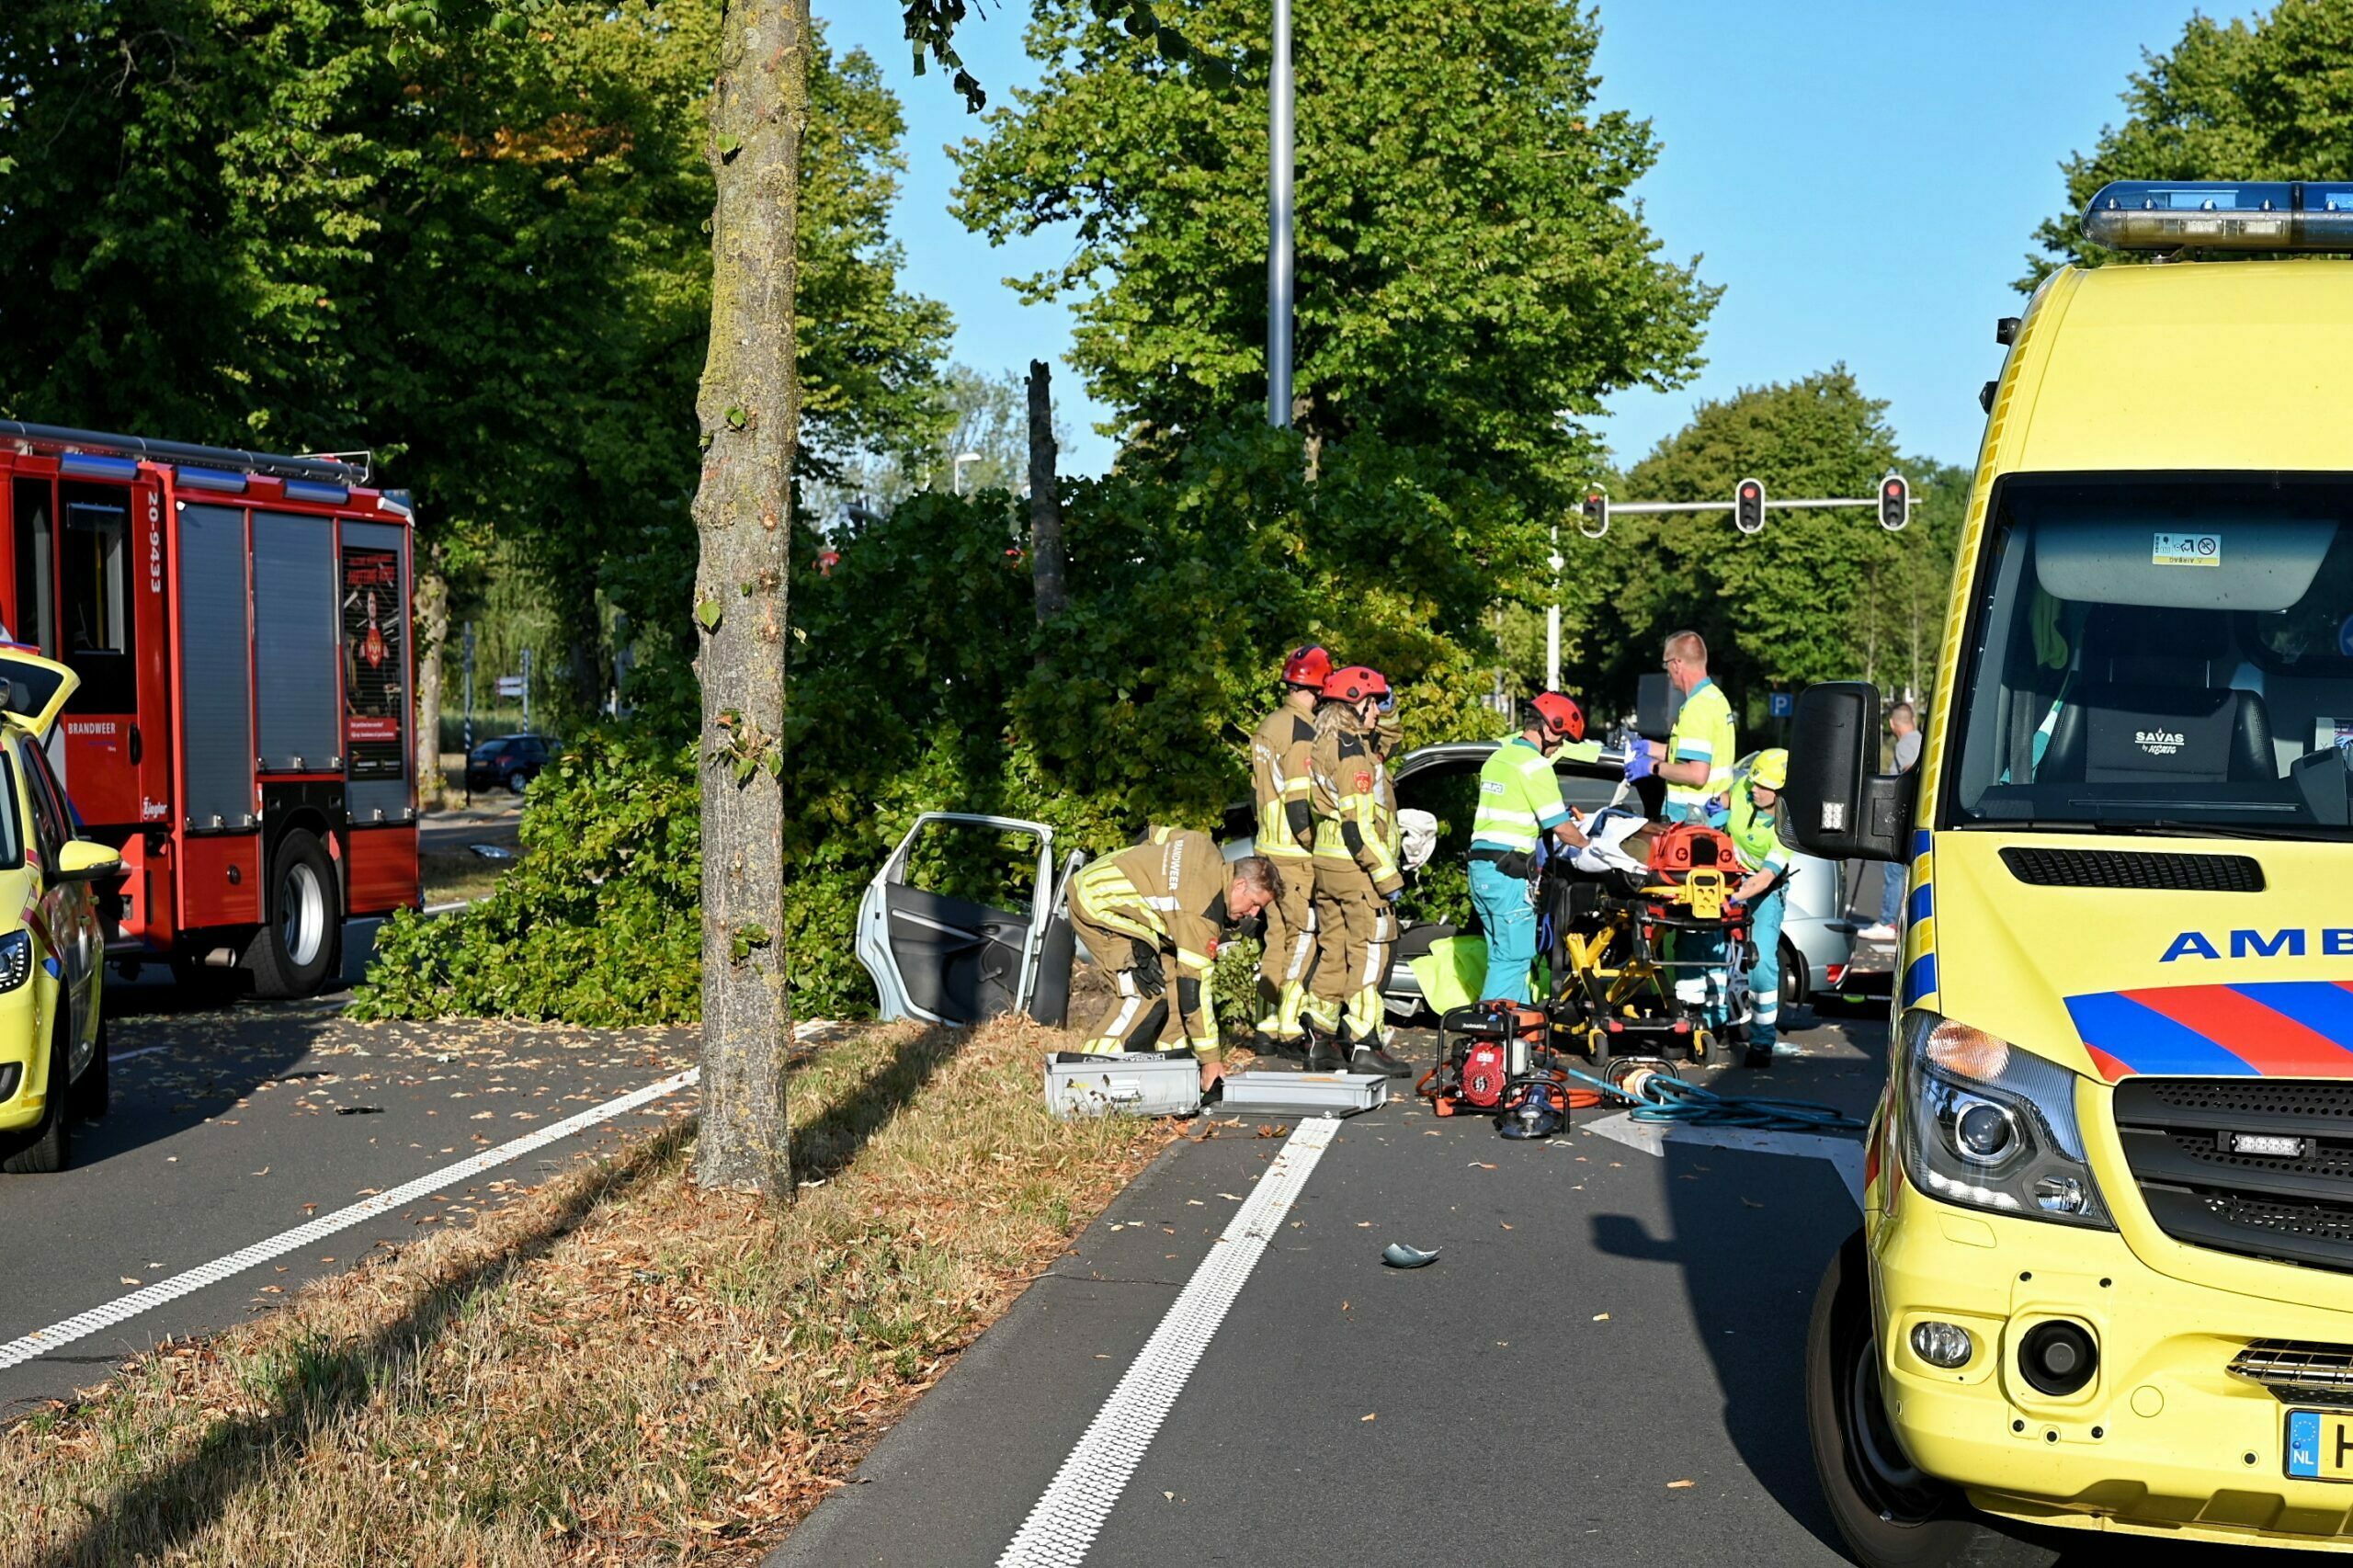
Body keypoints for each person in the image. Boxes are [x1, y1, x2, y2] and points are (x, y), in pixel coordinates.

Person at [1069, 826, 1280, 1093]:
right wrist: (1211, 1060)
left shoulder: (1202, 845)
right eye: (1253, 904)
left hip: (1102, 883)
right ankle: (1084, 1085)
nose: (1253, 913)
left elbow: (1149, 835)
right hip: (1095, 904)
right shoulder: (1201, 915)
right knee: (1143, 995)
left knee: (1169, 984)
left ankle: (1172, 1078)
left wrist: (1141, 901)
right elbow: (1195, 991)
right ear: (1239, 885)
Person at [1302, 665, 1410, 1076]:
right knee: (1370, 954)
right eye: (1374, 704)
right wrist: (1388, 878)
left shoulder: (1327, 741)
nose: (1378, 712)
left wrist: (1392, 709)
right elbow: (1359, 825)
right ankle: (1366, 1044)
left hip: (1327, 867)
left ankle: (1322, 1038)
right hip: (1357, 869)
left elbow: (1389, 741)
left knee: (1334, 951)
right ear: (1358, 704)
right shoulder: (1352, 753)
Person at [1467, 691, 1590, 1005]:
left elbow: (1518, 807)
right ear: (1548, 730)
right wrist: (1590, 845)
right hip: (1509, 873)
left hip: (1481, 869)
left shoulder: (1499, 759)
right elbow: (1562, 830)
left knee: (1503, 954)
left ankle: (1522, 1031)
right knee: (1514, 957)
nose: (1559, 748)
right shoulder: (1535, 765)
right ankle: (1491, 1038)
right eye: (1561, 739)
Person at [1246, 644, 1331, 1060]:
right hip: (1293, 855)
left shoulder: (1270, 724)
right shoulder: (1301, 733)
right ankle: (1287, 1026)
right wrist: (1318, 847)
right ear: (1317, 688)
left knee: (1275, 939)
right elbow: (1300, 806)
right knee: (1304, 936)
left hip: (1266, 848)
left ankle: (1263, 1026)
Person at [1728, 748, 1794, 1062]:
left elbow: (1764, 879)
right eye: (1753, 781)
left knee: (1762, 961)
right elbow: (1723, 804)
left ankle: (1761, 1041)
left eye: (1762, 786)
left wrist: (1729, 900)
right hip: (1729, 876)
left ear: (1780, 791)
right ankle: (1709, 1022)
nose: (1753, 788)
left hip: (1764, 891)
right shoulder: (1745, 791)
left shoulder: (1785, 829)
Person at [1650, 631, 1735, 823]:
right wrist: (1648, 748)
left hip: (1691, 821)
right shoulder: (1716, 698)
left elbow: (1697, 774)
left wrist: (1653, 768)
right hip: (1712, 818)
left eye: (1666, 664)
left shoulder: (1697, 707)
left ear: (1677, 664)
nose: (1668, 672)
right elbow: (1694, 753)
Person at [1859, 700, 1922, 942]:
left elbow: (1909, 771)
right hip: (1916, 818)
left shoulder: (1905, 744)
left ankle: (1887, 921)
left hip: (1903, 818)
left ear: (1893, 724)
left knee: (1893, 871)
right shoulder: (1919, 739)